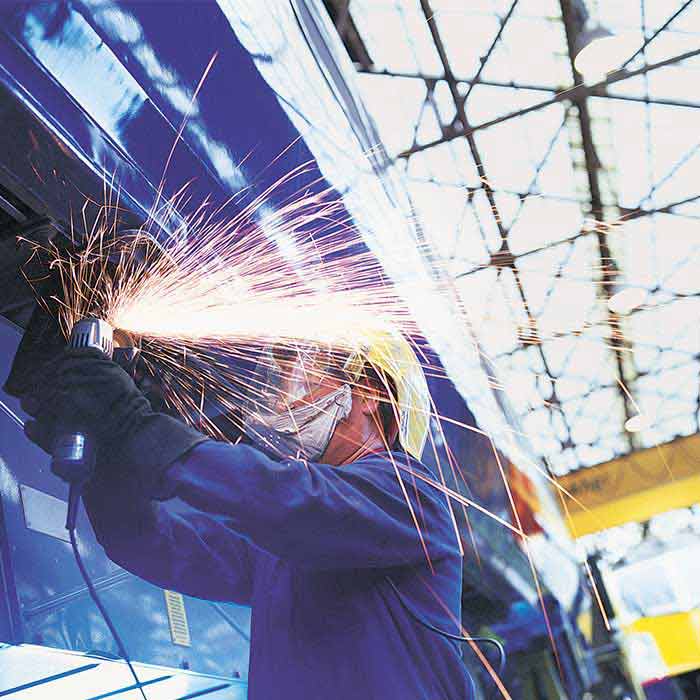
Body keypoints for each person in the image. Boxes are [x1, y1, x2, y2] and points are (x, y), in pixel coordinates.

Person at [21, 327, 470, 699]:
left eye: (303, 367)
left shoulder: (411, 498)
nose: (285, 387)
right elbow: (153, 545)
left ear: (369, 393)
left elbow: (286, 500)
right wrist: (109, 459)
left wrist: (135, 425)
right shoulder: (286, 548)